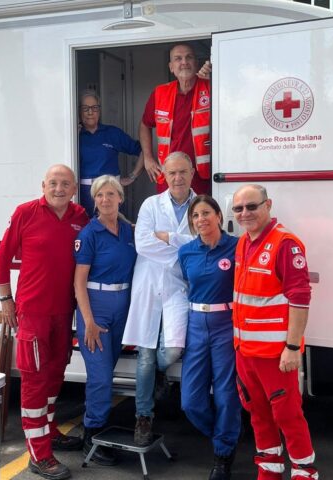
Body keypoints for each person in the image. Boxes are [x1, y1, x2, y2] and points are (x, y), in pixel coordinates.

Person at [0, 164, 88, 480]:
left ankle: (47, 432)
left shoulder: (79, 216)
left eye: (65, 183)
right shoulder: (26, 212)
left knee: (54, 374)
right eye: (53, 183)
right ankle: (39, 455)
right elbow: (2, 258)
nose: (59, 188)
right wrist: (6, 300)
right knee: (35, 382)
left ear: (74, 188)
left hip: (64, 312)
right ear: (43, 185)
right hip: (33, 314)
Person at [231, 185, 318, 480]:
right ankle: (269, 471)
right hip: (246, 353)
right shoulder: (243, 243)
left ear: (268, 205)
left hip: (275, 355)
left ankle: (305, 473)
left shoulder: (285, 244)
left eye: (252, 207)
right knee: (258, 415)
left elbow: (300, 298)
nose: (245, 214)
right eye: (239, 209)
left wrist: (292, 348)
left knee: (288, 416)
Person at [121, 151, 196, 446]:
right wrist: (183, 249)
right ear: (164, 174)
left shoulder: (201, 205)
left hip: (179, 287)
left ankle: (160, 376)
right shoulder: (151, 205)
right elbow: (143, 244)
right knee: (145, 355)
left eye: (183, 172)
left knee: (172, 351)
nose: (177, 178)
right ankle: (143, 417)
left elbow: (204, 242)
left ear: (192, 172)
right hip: (149, 286)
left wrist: (170, 238)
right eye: (172, 172)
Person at [73, 175, 137, 466]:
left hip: (122, 308)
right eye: (100, 195)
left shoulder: (129, 231)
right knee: (100, 376)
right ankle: (93, 433)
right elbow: (79, 282)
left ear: (120, 198)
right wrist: (88, 321)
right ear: (94, 200)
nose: (105, 199)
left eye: (111, 194)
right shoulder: (89, 233)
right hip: (96, 309)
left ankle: (96, 422)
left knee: (107, 371)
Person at [178, 195, 241, 480]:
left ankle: (223, 455)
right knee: (190, 400)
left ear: (218, 215)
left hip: (225, 324)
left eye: (206, 213)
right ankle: (223, 433)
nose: (200, 219)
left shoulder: (237, 247)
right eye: (195, 216)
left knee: (226, 393)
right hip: (195, 324)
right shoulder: (187, 252)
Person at [140, 43, 212, 196]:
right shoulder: (160, 93)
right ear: (171, 67)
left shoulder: (211, 88)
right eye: (178, 59)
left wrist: (214, 77)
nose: (184, 62)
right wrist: (148, 158)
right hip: (169, 174)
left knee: (199, 218)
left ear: (196, 63)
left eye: (189, 57)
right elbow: (145, 124)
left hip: (201, 176)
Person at [79, 90, 144, 216]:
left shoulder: (112, 133)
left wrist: (132, 176)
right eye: (85, 108)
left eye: (94, 108)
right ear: (79, 111)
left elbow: (143, 150)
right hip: (85, 193)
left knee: (113, 228)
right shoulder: (75, 136)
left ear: (100, 110)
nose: (90, 112)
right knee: (88, 229)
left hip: (111, 191)